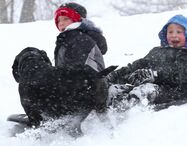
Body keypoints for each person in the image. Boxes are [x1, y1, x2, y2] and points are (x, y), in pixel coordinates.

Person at [12, 2, 112, 135]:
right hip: (81, 91)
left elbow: (76, 73)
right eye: (58, 20)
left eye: (66, 18)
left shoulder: (79, 38)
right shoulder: (68, 40)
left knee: (32, 61)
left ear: (78, 20)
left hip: (87, 89)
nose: (61, 23)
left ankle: (45, 120)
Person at [107, 14, 187, 111]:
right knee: (116, 89)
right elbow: (139, 64)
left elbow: (182, 73)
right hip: (155, 86)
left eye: (179, 32)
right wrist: (115, 75)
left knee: (144, 90)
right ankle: (108, 106)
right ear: (165, 34)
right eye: (170, 32)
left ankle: (123, 111)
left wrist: (154, 74)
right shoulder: (157, 51)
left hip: (178, 91)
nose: (174, 35)